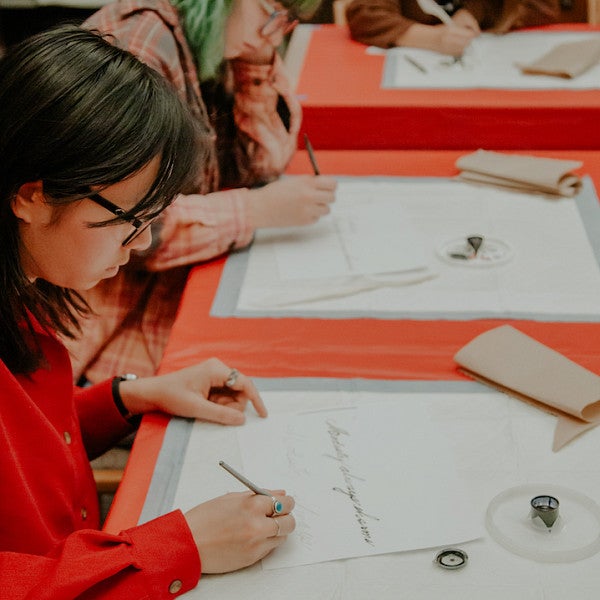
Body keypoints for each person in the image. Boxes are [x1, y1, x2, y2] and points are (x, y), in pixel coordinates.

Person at [0, 25, 295, 598]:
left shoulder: (20, 287)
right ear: (32, 195)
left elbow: (22, 457)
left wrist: (126, 398)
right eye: (130, 220)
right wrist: (176, 547)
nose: (140, 244)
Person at [63, 0, 337, 384]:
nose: (272, 34)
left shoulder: (214, 35)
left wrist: (255, 66)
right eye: (270, 13)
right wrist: (254, 210)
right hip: (109, 329)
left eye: (287, 22)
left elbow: (265, 162)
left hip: (160, 296)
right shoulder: (138, 47)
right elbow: (127, 232)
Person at [345, 0, 561, 56]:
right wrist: (433, 38)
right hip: (415, 89)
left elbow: (543, 6)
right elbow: (364, 13)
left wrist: (475, 11)